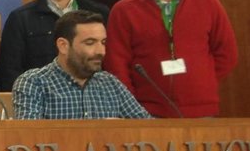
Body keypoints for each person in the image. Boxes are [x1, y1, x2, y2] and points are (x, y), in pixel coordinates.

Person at [103, 0, 238, 117]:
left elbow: (227, 54)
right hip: (147, 113)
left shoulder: (208, 3)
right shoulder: (123, 10)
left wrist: (201, 78)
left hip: (202, 111)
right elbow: (116, 64)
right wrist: (133, 107)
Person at [0, 0, 111, 90]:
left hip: (92, 96)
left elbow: (109, 62)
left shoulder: (98, 13)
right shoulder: (20, 19)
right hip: (41, 98)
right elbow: (9, 71)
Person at [13, 10, 150, 119]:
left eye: (103, 42)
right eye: (90, 43)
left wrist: (120, 129)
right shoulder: (34, 83)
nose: (101, 51)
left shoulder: (111, 83)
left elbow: (148, 129)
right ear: (63, 46)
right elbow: (28, 137)